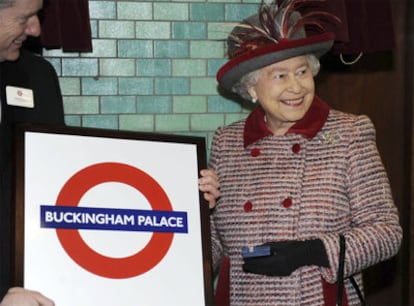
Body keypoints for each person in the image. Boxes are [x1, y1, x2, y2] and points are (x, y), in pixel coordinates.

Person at [198, 0, 403, 305]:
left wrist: (313, 252)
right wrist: (198, 210)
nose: (297, 87)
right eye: (280, 76)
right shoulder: (228, 143)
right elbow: (214, 245)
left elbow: (387, 234)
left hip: (316, 298)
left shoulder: (350, 134)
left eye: (302, 71)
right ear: (251, 88)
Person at [0, 0, 64, 304]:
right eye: (24, 18)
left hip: (33, 282)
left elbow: (62, 175)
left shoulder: (39, 75)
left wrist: (180, 189)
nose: (36, 28)